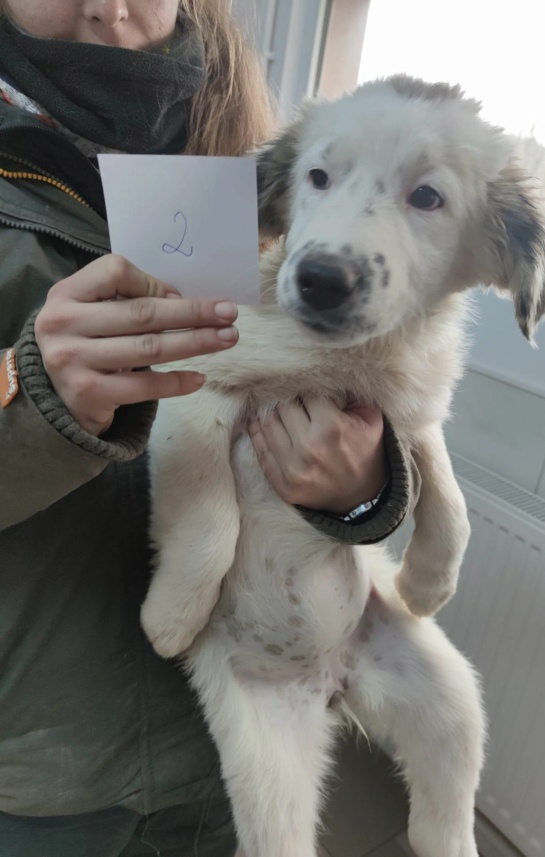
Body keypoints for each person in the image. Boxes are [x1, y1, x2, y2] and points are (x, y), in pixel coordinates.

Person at [0, 2, 415, 855]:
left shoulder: (288, 171)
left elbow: (359, 378)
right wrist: (42, 406)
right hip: (56, 760)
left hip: (245, 721)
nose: (111, 6)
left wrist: (364, 485)